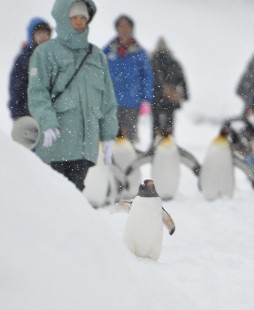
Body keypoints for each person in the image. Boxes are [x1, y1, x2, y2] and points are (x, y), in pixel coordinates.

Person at [28, 0, 118, 191]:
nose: (79, 22)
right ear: (63, 18)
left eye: (83, 17)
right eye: (74, 17)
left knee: (75, 198)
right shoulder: (45, 53)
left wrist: (109, 135)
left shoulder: (97, 56)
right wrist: (47, 122)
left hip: (86, 148)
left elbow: (107, 100)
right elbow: (37, 92)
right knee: (54, 199)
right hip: (56, 144)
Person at [103, 15, 153, 143]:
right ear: (117, 28)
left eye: (127, 26)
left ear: (132, 28)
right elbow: (98, 73)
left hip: (132, 102)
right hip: (111, 102)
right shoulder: (108, 51)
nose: (124, 29)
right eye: (121, 25)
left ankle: (129, 162)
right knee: (111, 137)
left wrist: (146, 99)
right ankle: (111, 162)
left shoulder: (140, 53)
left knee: (129, 140)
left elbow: (147, 76)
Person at [8, 18, 51, 120]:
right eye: (39, 33)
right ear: (31, 35)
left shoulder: (53, 56)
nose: (42, 36)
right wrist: (18, 114)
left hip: (53, 114)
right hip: (30, 114)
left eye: (45, 33)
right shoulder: (24, 59)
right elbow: (16, 89)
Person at [151, 37, 188, 137]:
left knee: (156, 124)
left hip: (156, 97)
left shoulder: (153, 61)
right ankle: (169, 142)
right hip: (170, 99)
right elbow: (182, 80)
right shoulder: (173, 62)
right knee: (169, 124)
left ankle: (156, 143)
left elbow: (148, 79)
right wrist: (185, 95)